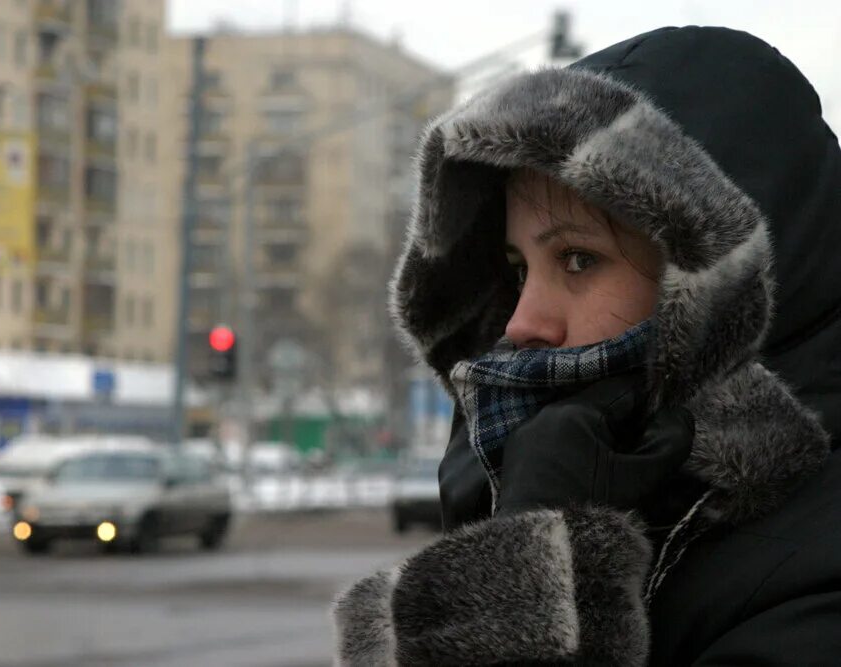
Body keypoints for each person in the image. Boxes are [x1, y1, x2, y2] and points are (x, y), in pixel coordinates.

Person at [332, 25, 841, 665]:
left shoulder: (818, 571)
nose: (520, 323)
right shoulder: (543, 468)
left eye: (577, 259)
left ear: (722, 284)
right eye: (518, 270)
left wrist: (533, 577)